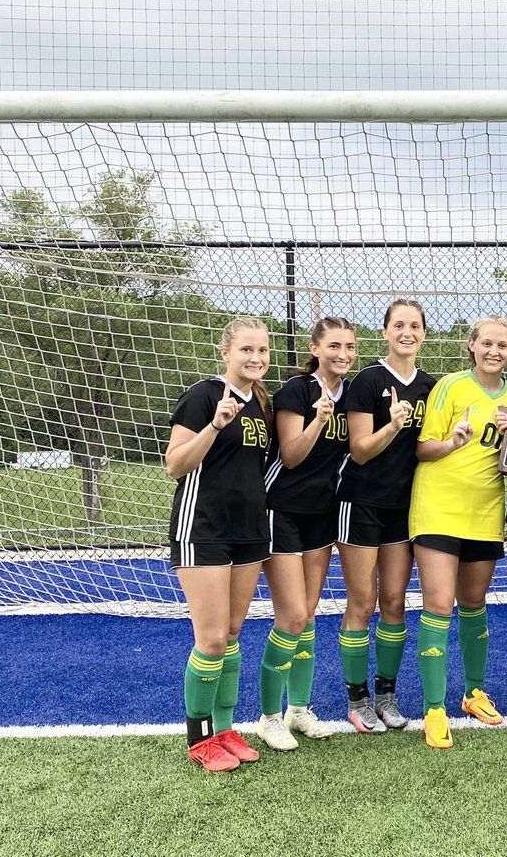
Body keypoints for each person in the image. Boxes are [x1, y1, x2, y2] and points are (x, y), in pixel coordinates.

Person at [409, 317, 507, 749]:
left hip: (486, 511)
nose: (494, 351)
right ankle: (434, 710)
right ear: (472, 346)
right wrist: (454, 442)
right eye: (487, 343)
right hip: (438, 509)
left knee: (474, 602)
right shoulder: (451, 387)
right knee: (439, 604)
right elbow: (423, 449)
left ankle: (473, 693)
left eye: (503, 345)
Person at [164, 317, 273, 772]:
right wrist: (214, 425)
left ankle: (226, 730)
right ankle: (200, 739)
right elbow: (174, 464)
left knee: (230, 636)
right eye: (246, 350)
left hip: (249, 531)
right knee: (209, 639)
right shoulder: (204, 396)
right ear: (226, 352)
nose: (256, 358)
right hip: (203, 528)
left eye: (263, 351)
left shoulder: (262, 404)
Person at [255, 317, 357, 750]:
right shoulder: (296, 392)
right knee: (291, 616)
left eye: (350, 347)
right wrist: (318, 419)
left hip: (322, 513)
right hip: (281, 510)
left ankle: (298, 710)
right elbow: (292, 457)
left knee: (309, 614)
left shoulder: (352, 394)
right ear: (315, 348)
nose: (343, 354)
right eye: (334, 345)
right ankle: (268, 716)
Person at [336, 299, 434, 733]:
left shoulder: (432, 386)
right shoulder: (367, 381)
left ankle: (386, 695)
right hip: (360, 503)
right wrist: (393, 424)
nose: (407, 332)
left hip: (404, 507)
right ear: (385, 332)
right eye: (399, 325)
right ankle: (356, 699)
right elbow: (359, 450)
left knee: (395, 602)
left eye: (414, 325)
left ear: (424, 333)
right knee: (363, 602)